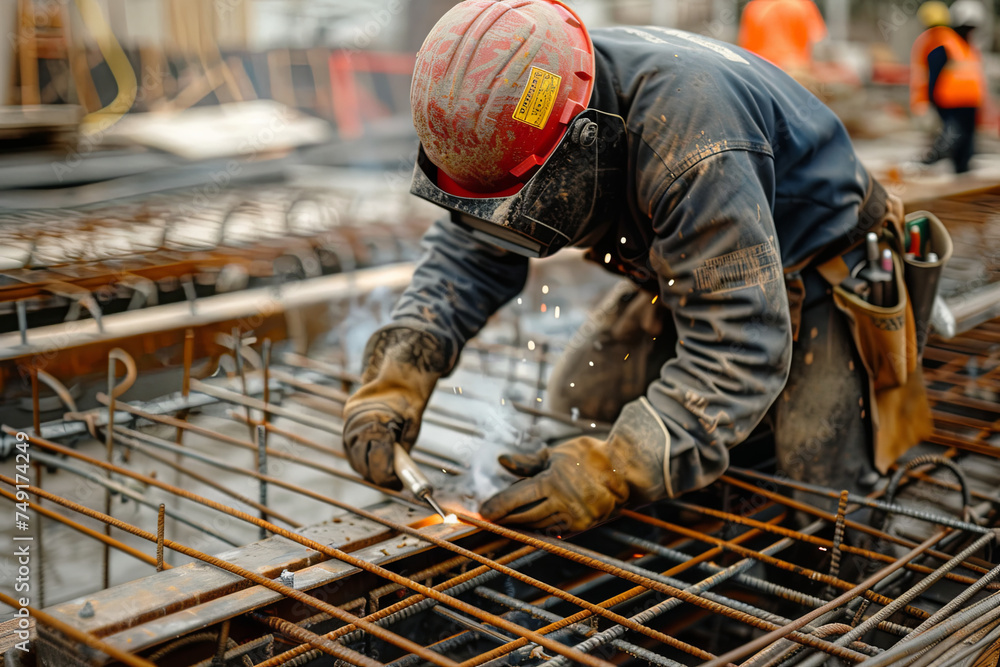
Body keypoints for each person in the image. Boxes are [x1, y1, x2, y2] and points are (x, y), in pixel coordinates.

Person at [342, 0, 932, 533]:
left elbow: (740, 346)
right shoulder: (540, 94)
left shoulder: (693, 146)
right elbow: (473, 249)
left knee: (819, 479)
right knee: (588, 401)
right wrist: (400, 372)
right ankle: (669, 523)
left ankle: (844, 594)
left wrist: (617, 468)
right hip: (688, 264)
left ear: (579, 146)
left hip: (821, 267)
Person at [910, 0, 985, 173]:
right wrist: (929, 99)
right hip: (951, 101)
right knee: (951, 138)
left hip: (970, 101)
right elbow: (934, 73)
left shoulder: (968, 47)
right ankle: (931, 163)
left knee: (966, 139)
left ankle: (962, 169)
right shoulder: (947, 43)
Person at [738, 0, 828, 74]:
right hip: (795, 70)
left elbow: (745, 45)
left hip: (762, 70)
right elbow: (816, 42)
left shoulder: (754, 7)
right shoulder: (802, 4)